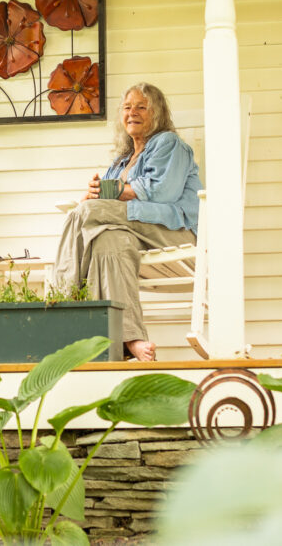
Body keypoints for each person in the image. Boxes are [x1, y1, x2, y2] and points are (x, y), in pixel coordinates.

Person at [53, 83, 202, 361]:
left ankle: (62, 308)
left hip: (173, 231)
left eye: (141, 107)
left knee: (83, 213)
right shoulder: (121, 162)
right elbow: (106, 204)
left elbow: (164, 192)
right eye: (127, 107)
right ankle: (129, 340)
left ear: (156, 113)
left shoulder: (168, 143)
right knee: (108, 240)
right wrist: (92, 194)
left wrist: (112, 195)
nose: (132, 112)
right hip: (135, 232)